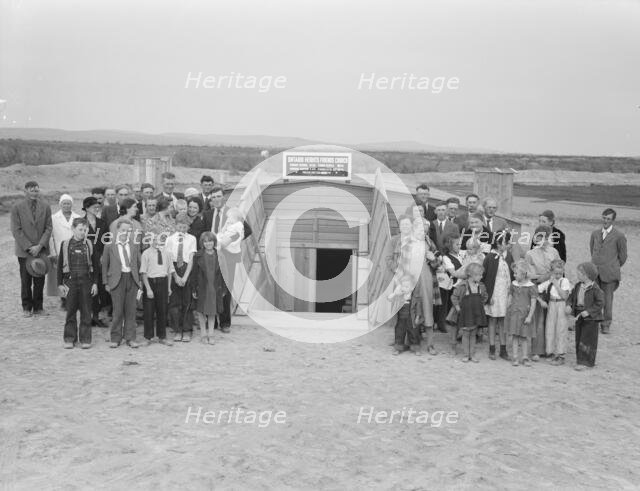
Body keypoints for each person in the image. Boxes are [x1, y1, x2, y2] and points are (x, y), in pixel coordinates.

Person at [202, 186, 252, 332]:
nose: (216, 200)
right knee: (210, 287)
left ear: (223, 197)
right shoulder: (207, 214)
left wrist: (231, 241)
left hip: (228, 256)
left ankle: (225, 323)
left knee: (225, 289)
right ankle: (212, 321)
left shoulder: (233, 213)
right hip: (210, 256)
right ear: (210, 200)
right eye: (213, 197)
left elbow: (247, 230)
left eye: (218, 196)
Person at [10, 181, 53, 317]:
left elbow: (49, 227)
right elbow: (16, 230)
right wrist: (29, 247)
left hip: (41, 249)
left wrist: (40, 246)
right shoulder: (17, 207)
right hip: (24, 251)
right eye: (32, 190)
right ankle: (27, 307)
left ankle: (38, 307)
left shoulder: (45, 206)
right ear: (25, 191)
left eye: (36, 190)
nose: (35, 192)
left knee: (40, 279)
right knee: (26, 279)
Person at [57, 218, 99, 349]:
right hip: (70, 281)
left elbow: (96, 267)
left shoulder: (90, 244)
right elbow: (59, 266)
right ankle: (70, 338)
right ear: (73, 229)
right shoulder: (65, 244)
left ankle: (85, 339)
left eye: (85, 230)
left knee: (86, 311)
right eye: (80, 229)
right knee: (71, 311)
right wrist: (60, 284)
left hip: (86, 280)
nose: (83, 232)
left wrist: (95, 283)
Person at [102, 218, 142, 348]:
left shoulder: (134, 245)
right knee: (117, 311)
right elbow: (105, 266)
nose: (126, 233)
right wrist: (105, 282)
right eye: (123, 230)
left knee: (131, 310)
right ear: (117, 230)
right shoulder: (109, 246)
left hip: (131, 279)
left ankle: (130, 337)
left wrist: (139, 281)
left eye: (129, 231)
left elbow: (138, 263)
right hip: (116, 280)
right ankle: (116, 337)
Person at [589, 208, 627, 334]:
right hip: (595, 272)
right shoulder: (595, 233)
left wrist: (612, 266)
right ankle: (594, 321)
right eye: (604, 218)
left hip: (610, 273)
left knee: (607, 300)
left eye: (608, 219)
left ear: (613, 220)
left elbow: (623, 257)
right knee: (594, 297)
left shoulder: (619, 236)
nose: (605, 221)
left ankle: (606, 324)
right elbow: (592, 250)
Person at [525, 225, 560, 360]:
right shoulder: (530, 254)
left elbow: (559, 269)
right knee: (538, 319)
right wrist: (543, 276)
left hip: (553, 287)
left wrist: (553, 277)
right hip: (537, 287)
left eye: (546, 237)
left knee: (551, 318)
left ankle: (550, 348)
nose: (543, 240)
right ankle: (537, 350)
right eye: (540, 237)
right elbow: (530, 274)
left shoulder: (554, 252)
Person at [482, 230, 514, 360]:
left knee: (503, 322)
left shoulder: (509, 256)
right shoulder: (490, 257)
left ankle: (503, 348)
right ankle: (491, 348)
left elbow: (512, 275)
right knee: (492, 320)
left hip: (505, 293)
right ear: (499, 244)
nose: (509, 244)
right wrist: (487, 296)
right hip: (494, 293)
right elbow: (484, 278)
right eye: (507, 242)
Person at [566, 262, 604, 370]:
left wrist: (589, 311)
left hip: (591, 318)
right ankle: (580, 360)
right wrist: (569, 305)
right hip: (579, 314)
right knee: (579, 337)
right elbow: (571, 297)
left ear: (586, 275)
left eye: (579, 273)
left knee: (588, 339)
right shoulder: (578, 285)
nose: (577, 275)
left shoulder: (595, 288)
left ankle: (586, 362)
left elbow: (600, 303)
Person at [166, 213, 197, 342]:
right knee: (174, 303)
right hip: (173, 269)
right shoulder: (170, 239)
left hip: (186, 269)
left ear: (188, 227)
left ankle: (187, 330)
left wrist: (184, 277)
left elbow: (191, 259)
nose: (182, 229)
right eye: (180, 226)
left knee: (187, 302)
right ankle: (177, 329)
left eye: (185, 227)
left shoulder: (192, 239)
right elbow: (168, 259)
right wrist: (176, 276)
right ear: (176, 225)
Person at [140, 233, 174, 346]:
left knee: (162, 311)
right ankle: (148, 337)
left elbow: (169, 272)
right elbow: (143, 272)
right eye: (153, 239)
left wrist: (168, 287)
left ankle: (162, 336)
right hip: (151, 283)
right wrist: (148, 289)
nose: (156, 241)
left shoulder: (167, 253)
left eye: (158, 239)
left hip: (163, 283)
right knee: (149, 311)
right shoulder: (146, 253)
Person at [191, 232, 225, 345]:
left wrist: (224, 288)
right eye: (205, 241)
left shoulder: (220, 255)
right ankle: (203, 334)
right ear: (202, 243)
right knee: (201, 311)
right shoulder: (198, 256)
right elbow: (194, 273)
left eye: (210, 241)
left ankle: (211, 334)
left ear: (214, 242)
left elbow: (225, 273)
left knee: (212, 311)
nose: (208, 243)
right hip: (202, 287)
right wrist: (194, 288)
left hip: (215, 287)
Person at [450, 262, 488, 363]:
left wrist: (480, 306)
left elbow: (485, 297)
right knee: (466, 334)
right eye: (479, 275)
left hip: (476, 314)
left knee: (473, 334)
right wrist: (458, 308)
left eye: (481, 274)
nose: (481, 276)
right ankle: (466, 355)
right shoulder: (462, 286)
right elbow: (454, 297)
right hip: (466, 314)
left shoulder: (481, 286)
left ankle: (472, 354)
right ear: (471, 275)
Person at [537, 259, 571, 365]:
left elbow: (564, 296)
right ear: (551, 272)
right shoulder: (548, 282)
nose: (558, 275)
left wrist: (556, 284)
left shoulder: (564, 281)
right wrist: (541, 300)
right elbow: (535, 290)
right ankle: (551, 352)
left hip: (561, 304)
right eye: (556, 273)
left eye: (560, 273)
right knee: (550, 328)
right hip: (551, 304)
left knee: (561, 329)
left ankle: (560, 354)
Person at [49, 194, 81, 305]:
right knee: (62, 273)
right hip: (60, 249)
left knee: (73, 273)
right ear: (60, 204)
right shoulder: (53, 218)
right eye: (64, 203)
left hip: (75, 249)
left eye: (68, 203)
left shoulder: (77, 217)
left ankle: (74, 297)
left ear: (72, 204)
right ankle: (64, 298)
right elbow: (50, 237)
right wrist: (53, 253)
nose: (66, 205)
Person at [506, 260, 538, 367]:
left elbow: (533, 303)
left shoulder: (531, 286)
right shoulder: (513, 284)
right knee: (514, 336)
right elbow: (510, 295)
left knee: (524, 337)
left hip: (525, 315)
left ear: (523, 274)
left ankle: (525, 357)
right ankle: (515, 357)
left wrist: (529, 316)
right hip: (514, 314)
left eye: (516, 273)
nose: (514, 275)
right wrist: (508, 305)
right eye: (514, 273)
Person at [83, 196, 109, 327]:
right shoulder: (81, 223)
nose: (96, 208)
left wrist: (104, 255)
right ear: (87, 208)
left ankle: (97, 315)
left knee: (99, 287)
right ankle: (87, 316)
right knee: (87, 288)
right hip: (85, 259)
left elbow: (107, 241)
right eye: (94, 207)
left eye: (98, 206)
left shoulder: (102, 223)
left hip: (99, 260)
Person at [388, 274, 423, 355]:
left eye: (406, 287)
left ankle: (416, 348)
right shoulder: (400, 296)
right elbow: (390, 299)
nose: (404, 288)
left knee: (414, 333)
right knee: (399, 332)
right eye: (403, 286)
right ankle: (398, 348)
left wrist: (417, 317)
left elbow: (418, 308)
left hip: (411, 319)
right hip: (401, 319)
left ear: (411, 288)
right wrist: (395, 293)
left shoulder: (415, 297)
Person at [441, 233, 463, 352]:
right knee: (455, 317)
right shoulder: (446, 258)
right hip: (456, 289)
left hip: (465, 289)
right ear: (450, 245)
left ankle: (462, 339)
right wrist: (467, 273)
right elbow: (453, 273)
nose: (459, 245)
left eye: (460, 243)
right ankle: (453, 342)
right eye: (456, 244)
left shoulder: (462, 255)